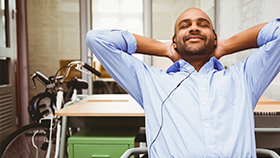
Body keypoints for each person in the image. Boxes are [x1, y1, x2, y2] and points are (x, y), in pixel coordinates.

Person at [86, 8, 280, 158]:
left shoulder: (244, 78)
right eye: (184, 26)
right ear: (174, 41)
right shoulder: (151, 81)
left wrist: (226, 45)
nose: (194, 27)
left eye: (202, 25)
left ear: (214, 38)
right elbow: (96, 39)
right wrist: (165, 49)